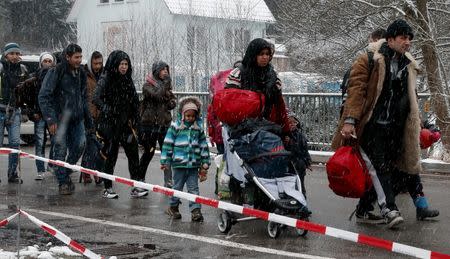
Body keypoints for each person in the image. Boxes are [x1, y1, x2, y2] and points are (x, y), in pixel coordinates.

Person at [332, 19, 422, 228]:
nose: (407, 42)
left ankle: (364, 208)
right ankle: (389, 209)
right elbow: (356, 91)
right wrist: (350, 121)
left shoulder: (408, 65)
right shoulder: (369, 59)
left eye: (409, 38)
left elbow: (411, 98)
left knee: (394, 170)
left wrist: (418, 123)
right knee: (378, 166)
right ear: (390, 40)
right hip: (369, 125)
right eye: (403, 38)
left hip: (393, 127)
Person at [39, 43, 93, 195]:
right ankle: (63, 182)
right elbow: (44, 96)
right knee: (60, 151)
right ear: (67, 57)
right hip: (59, 120)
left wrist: (89, 121)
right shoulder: (56, 72)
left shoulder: (81, 73)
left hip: (77, 119)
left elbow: (84, 98)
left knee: (80, 145)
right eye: (76, 57)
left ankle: (62, 172)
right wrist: (50, 119)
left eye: (81, 57)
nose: (79, 60)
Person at [93, 50, 141, 199]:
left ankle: (136, 186)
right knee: (111, 155)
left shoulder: (127, 79)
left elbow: (134, 100)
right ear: (115, 64)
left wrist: (135, 117)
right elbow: (96, 97)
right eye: (121, 64)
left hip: (125, 124)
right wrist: (107, 109)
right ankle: (107, 187)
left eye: (126, 64)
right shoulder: (106, 78)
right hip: (110, 124)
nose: (124, 67)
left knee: (133, 154)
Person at [225, 38, 291, 133]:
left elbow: (279, 105)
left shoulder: (273, 76)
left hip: (268, 127)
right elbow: (230, 103)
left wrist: (286, 131)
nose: (265, 57)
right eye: (261, 54)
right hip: (242, 130)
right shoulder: (238, 74)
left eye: (267, 54)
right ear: (253, 54)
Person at [161, 96, 210, 222]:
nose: (190, 118)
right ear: (182, 115)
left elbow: (204, 146)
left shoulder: (198, 130)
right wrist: (165, 160)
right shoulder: (176, 127)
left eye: (193, 116)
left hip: (193, 165)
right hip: (178, 165)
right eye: (188, 116)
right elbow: (167, 144)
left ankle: (195, 211)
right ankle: (173, 207)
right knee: (177, 187)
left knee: (193, 188)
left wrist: (205, 162)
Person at [17, 52, 55, 180]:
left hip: (53, 116)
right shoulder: (34, 79)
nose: (48, 64)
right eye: (45, 61)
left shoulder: (57, 78)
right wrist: (32, 112)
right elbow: (26, 98)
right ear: (41, 62)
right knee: (40, 143)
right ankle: (40, 170)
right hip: (39, 116)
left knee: (56, 142)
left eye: (50, 61)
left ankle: (52, 165)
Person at [138, 61, 176, 188]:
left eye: (167, 69)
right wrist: (165, 87)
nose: (165, 71)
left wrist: (170, 101)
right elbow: (157, 95)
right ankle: (140, 178)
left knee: (167, 153)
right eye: (162, 69)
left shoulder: (166, 86)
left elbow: (172, 102)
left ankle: (168, 181)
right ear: (156, 71)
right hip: (150, 125)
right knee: (149, 152)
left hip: (163, 124)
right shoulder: (147, 85)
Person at [0, 42, 29, 184]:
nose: (15, 56)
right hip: (0, 109)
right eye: (12, 53)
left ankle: (12, 174)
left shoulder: (23, 70)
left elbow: (25, 94)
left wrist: (24, 110)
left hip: (15, 111)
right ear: (6, 55)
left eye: (17, 53)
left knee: (15, 143)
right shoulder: (0, 68)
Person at [80, 51, 104, 184]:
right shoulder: (83, 74)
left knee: (99, 146)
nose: (98, 66)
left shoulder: (104, 75)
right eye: (95, 63)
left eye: (100, 63)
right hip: (87, 114)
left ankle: (96, 171)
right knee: (91, 145)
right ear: (90, 62)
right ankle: (88, 171)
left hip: (101, 115)